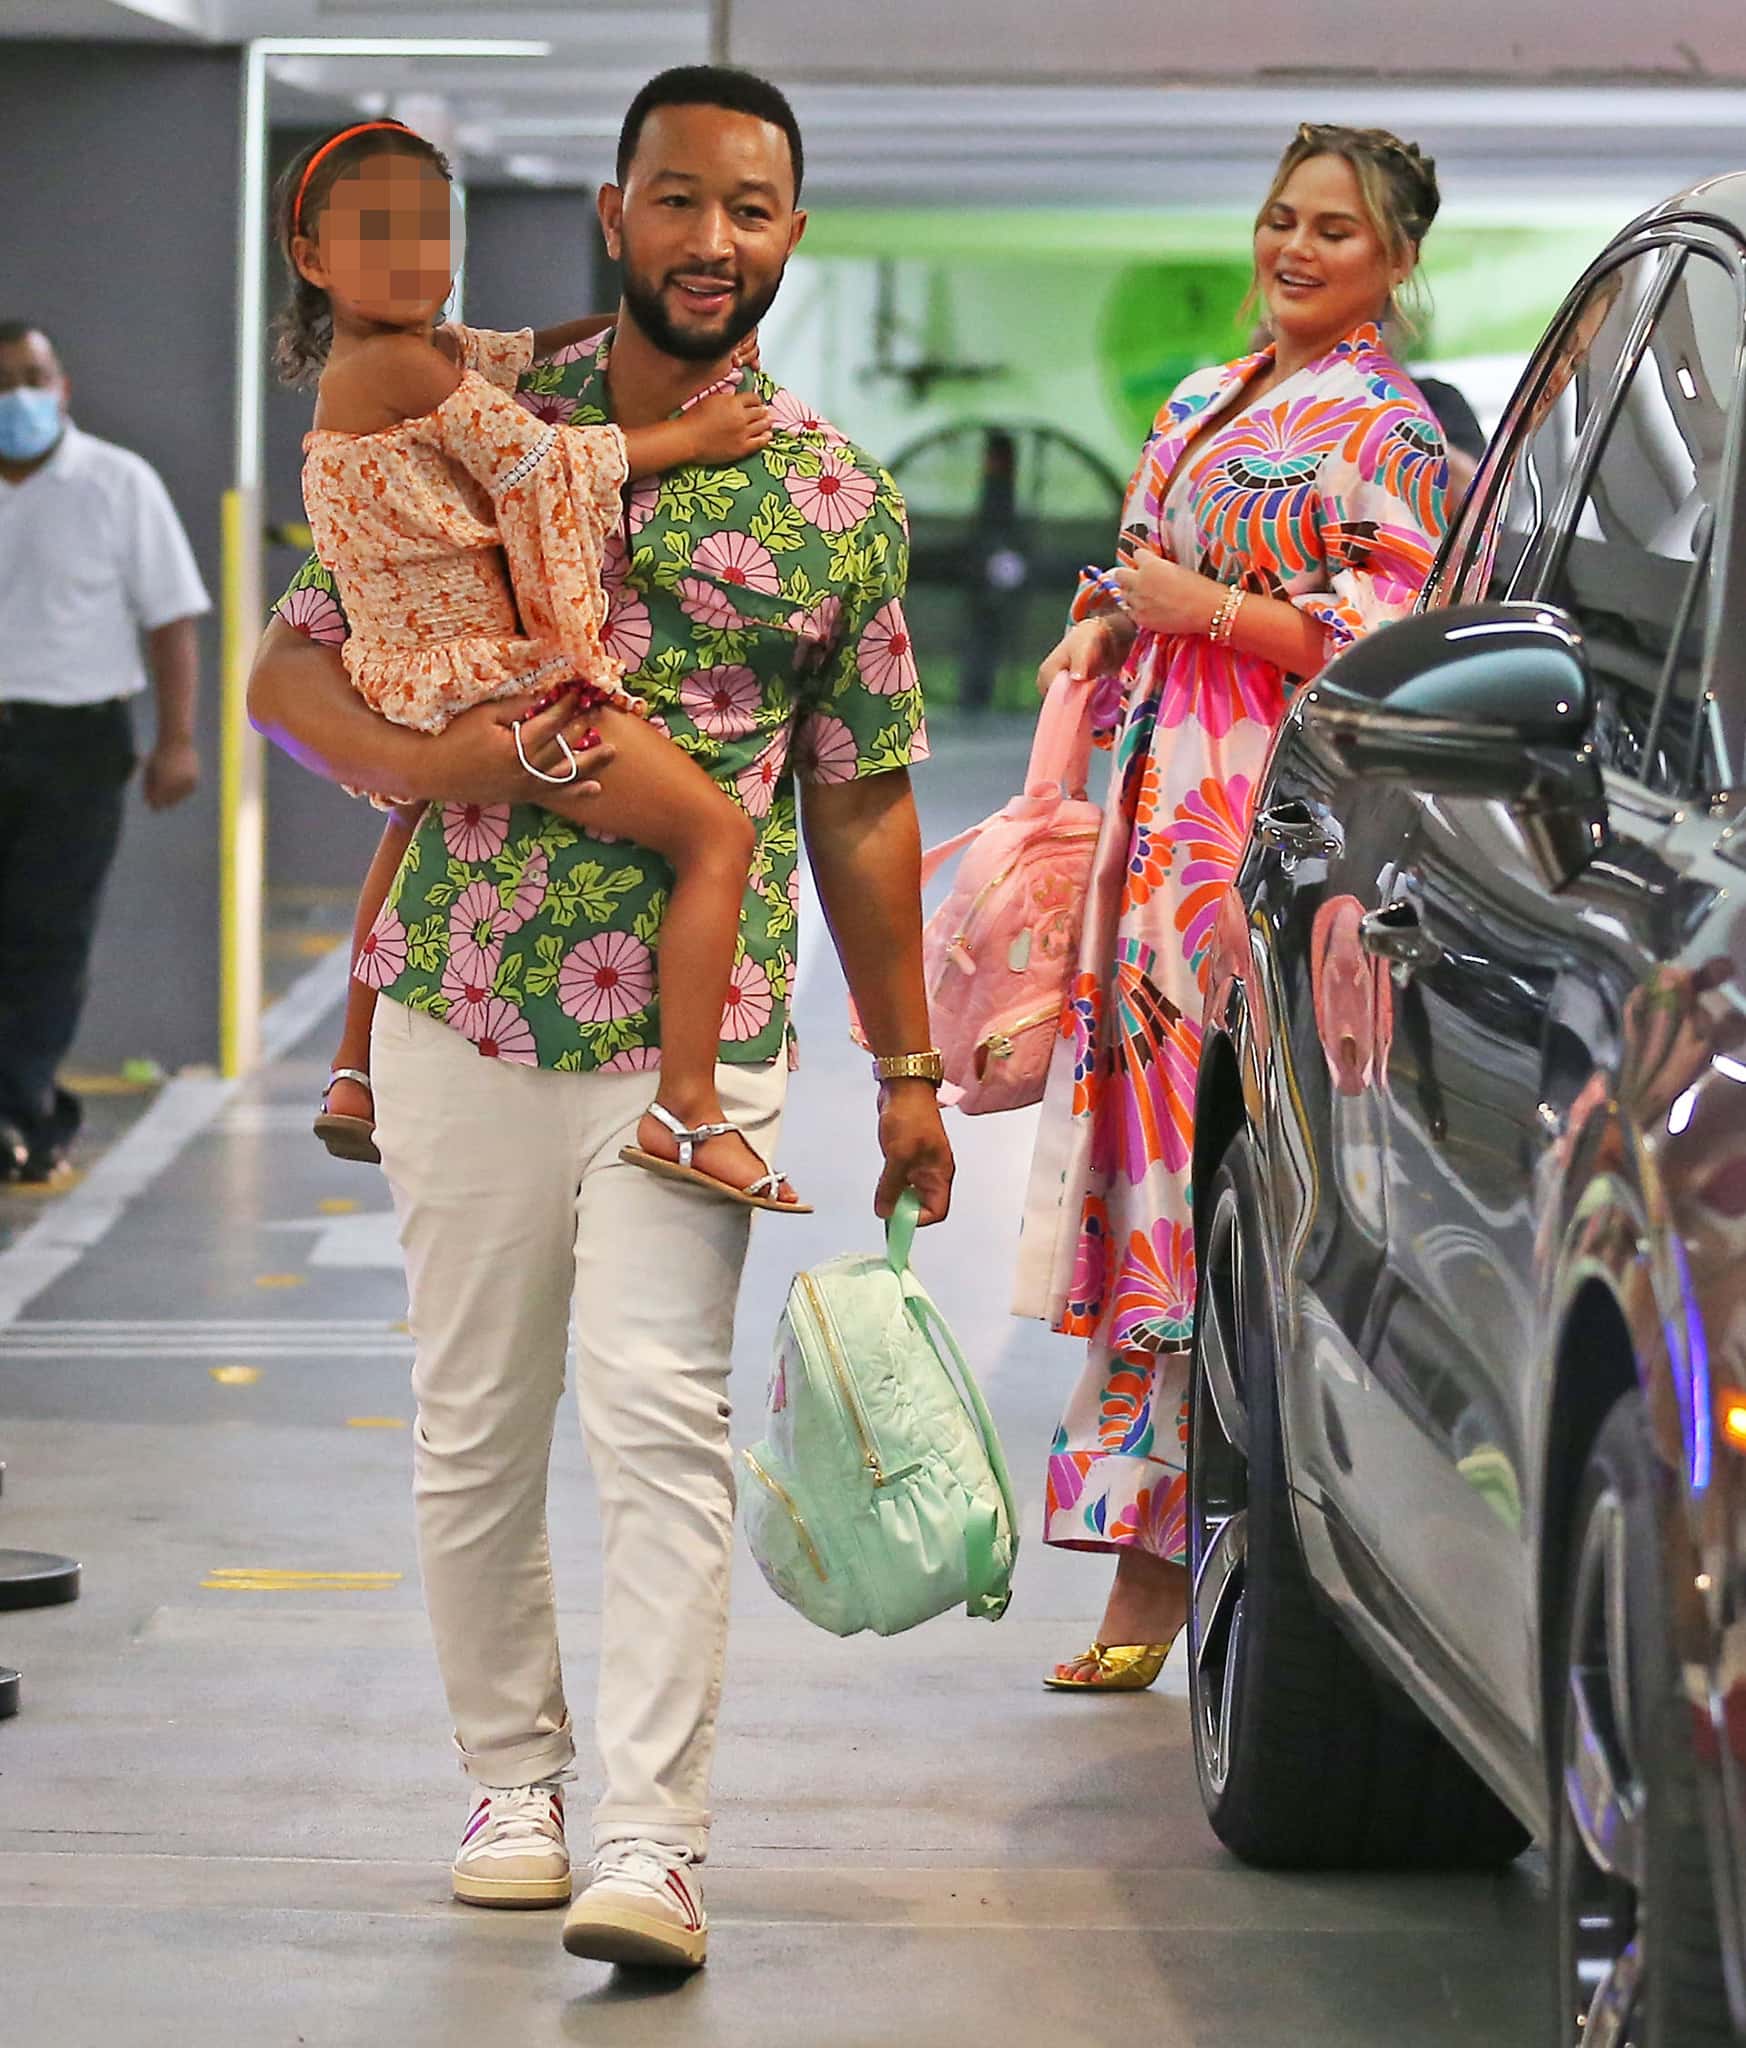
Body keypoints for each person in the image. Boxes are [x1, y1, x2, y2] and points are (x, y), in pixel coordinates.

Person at [247, 65, 953, 1969]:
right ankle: (513, 1779)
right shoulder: (478, 415)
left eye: (751, 207)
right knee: (474, 1417)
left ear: (792, 234)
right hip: (462, 1000)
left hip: (691, 1034)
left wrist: (908, 1070)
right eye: (676, 200)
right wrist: (428, 750)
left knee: (657, 1409)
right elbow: (291, 662)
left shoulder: (836, 508)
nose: (711, 240)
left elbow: (867, 799)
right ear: (616, 216)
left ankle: (654, 1836)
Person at [1014, 122, 1451, 1692]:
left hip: (1253, 823)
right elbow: (1136, 560)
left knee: (1217, 1175)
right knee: (1137, 1173)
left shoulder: (1389, 430)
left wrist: (1203, 612)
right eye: (1281, 218)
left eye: (1335, 230)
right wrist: (1096, 625)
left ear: (1395, 261)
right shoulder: (1203, 396)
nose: (1295, 248)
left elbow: (1393, 640)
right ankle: (1146, 1557)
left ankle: (1196, 1568)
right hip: (1150, 812)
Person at [279, 118, 803, 1210]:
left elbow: (532, 355)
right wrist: (693, 439)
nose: (411, 254)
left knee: (411, 822)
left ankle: (351, 1065)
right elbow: (547, 462)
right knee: (716, 831)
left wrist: (626, 334)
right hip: (485, 677)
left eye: (428, 230)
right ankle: (689, 1104)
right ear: (313, 258)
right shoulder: (388, 367)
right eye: (375, 235)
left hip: (416, 671)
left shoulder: (425, 354)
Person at [0, 320, 207, 1184]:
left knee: (48, 935)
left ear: (62, 386)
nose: (18, 396)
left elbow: (170, 619)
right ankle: (22, 1110)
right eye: (3, 380)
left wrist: (178, 741)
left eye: (32, 376)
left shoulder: (119, 483)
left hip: (77, 740)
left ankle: (21, 1112)